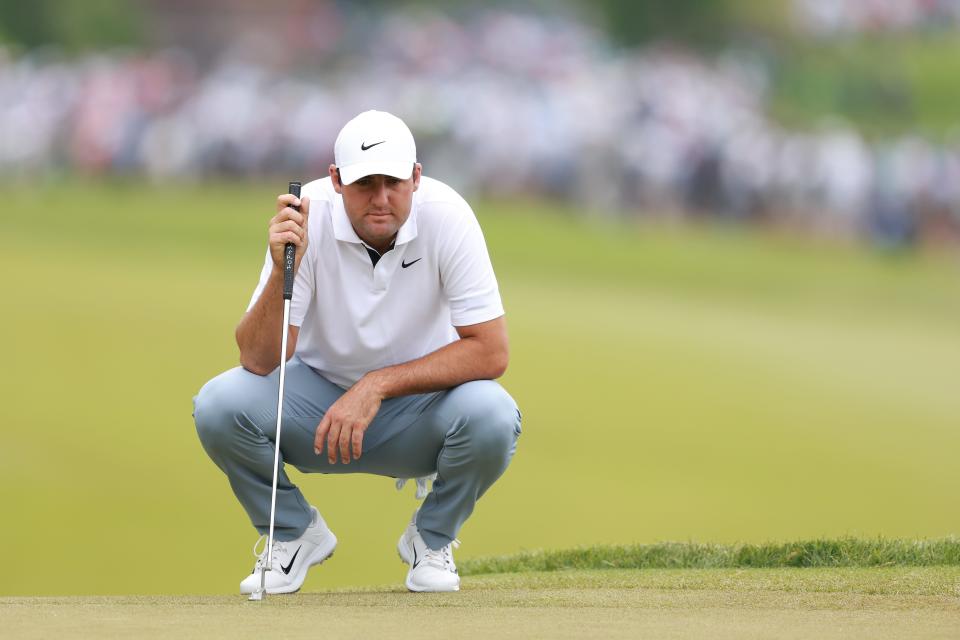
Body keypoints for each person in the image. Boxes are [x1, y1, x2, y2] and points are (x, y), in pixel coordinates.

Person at [193, 110, 521, 594]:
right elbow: (259, 360)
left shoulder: (448, 216)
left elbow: (491, 352)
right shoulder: (308, 217)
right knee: (219, 406)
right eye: (366, 183)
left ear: (416, 177)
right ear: (336, 180)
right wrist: (284, 261)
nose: (381, 198)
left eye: (393, 181)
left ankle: (431, 539)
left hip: (419, 413)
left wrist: (376, 385)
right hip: (318, 409)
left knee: (494, 414)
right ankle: (292, 532)